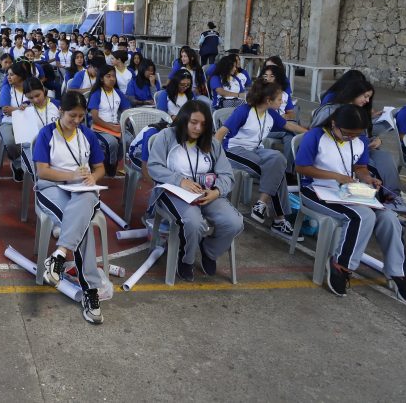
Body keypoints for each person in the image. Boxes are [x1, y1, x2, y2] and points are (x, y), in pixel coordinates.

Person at [294, 105, 406, 303]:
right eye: (347, 134)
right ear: (334, 124)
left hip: (347, 192)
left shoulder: (359, 140)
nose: (351, 138)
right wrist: (336, 177)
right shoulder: (316, 136)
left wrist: (368, 178)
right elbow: (301, 167)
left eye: (356, 134)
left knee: (389, 217)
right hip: (316, 190)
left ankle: (397, 272)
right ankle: (341, 265)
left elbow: (359, 167)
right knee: (363, 216)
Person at [33, 92, 107, 324]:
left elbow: (100, 168)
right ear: (60, 112)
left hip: (82, 192)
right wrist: (71, 175)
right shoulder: (47, 134)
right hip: (52, 187)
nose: (76, 121)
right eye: (72, 116)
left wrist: (93, 178)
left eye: (81, 117)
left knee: (81, 209)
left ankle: (59, 254)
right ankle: (91, 290)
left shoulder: (88, 135)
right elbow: (42, 171)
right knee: (80, 225)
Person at [147, 100, 242, 282]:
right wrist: (180, 180)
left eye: (203, 124)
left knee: (234, 222)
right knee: (193, 221)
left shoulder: (212, 144)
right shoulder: (167, 136)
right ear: (184, 120)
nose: (198, 128)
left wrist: (216, 191)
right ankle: (186, 259)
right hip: (173, 191)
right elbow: (154, 167)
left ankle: (209, 251)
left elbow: (227, 175)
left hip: (206, 193)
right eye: (193, 122)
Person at [215, 80, 307, 239]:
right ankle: (278, 219)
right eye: (279, 99)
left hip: (256, 150)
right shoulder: (243, 111)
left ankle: (262, 203)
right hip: (233, 150)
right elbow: (221, 132)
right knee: (275, 172)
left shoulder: (270, 113)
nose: (282, 102)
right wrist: (213, 156)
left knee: (278, 158)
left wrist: (309, 133)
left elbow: (289, 126)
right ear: (268, 100)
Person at [88, 66, 130, 177]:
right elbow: (95, 118)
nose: (112, 79)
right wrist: (111, 127)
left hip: (115, 126)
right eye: (108, 76)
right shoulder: (97, 93)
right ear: (101, 78)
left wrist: (123, 124)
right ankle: (110, 167)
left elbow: (127, 111)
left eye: (114, 76)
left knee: (128, 140)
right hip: (99, 127)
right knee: (112, 143)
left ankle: (113, 163)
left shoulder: (118, 93)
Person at [0, 62, 33, 182]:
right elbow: (6, 110)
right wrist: (22, 109)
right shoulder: (7, 88)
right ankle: (17, 164)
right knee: (11, 142)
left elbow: (37, 105)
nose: (8, 77)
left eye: (12, 75)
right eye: (8, 74)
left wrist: (16, 109)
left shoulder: (30, 87)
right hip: (8, 122)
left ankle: (35, 167)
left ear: (21, 76)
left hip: (28, 122)